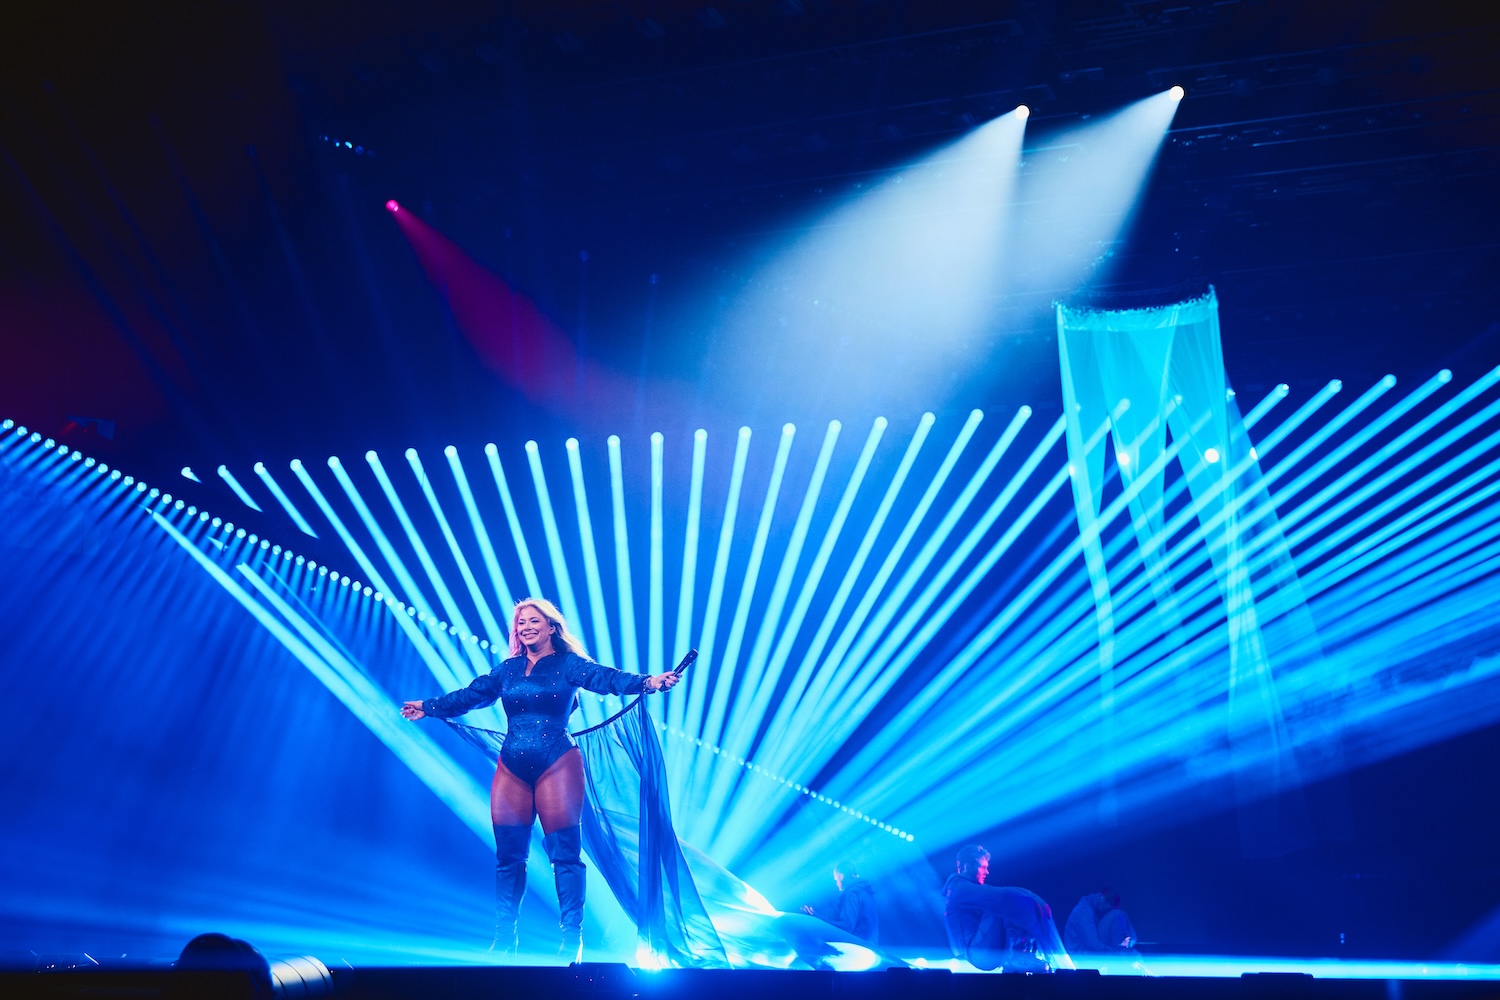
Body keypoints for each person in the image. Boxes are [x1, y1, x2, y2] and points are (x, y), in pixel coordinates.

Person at [402, 597, 681, 962]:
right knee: (508, 856)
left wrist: (647, 682)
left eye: (534, 621)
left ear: (551, 627)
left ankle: (571, 939)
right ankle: (505, 938)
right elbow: (471, 696)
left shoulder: (569, 665)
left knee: (564, 855)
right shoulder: (508, 670)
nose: (526, 627)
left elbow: (606, 679)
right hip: (513, 765)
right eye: (520, 623)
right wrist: (428, 706)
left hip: (557, 762)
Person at [941, 845, 1073, 973]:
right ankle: (1016, 955)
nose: (987, 872)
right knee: (1004, 903)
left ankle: (1021, 952)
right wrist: (1032, 897)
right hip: (974, 954)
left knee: (1007, 900)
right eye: (983, 867)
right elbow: (1005, 896)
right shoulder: (958, 888)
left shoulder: (965, 888)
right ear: (967, 867)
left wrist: (1030, 897)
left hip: (980, 950)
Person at [801, 860, 879, 944]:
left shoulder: (853, 893)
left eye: (836, 879)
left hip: (859, 948)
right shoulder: (864, 892)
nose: (836, 884)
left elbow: (846, 927)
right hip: (869, 947)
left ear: (841, 876)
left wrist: (818, 920)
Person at [1064, 888, 1138, 956]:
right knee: (1119, 914)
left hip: (1085, 953)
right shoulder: (1084, 911)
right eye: (1107, 908)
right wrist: (1116, 954)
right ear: (1102, 899)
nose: (1106, 912)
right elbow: (1093, 944)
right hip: (1080, 956)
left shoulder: (1090, 910)